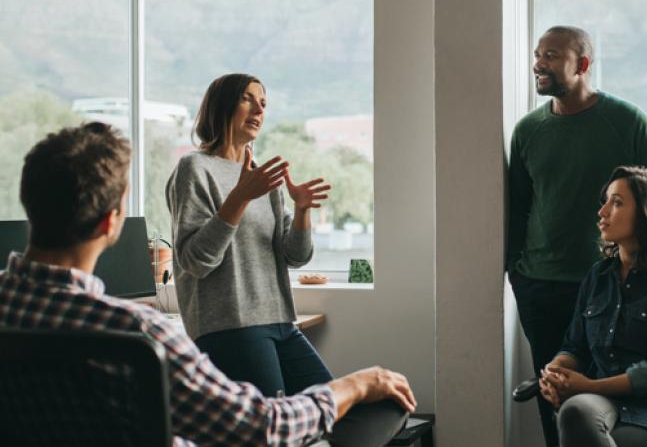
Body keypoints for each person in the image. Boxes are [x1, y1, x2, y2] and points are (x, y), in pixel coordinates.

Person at [0, 122, 416, 446]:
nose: (258, 109)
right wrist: (357, 384)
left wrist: (301, 211)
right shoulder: (139, 336)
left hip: (278, 319)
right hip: (233, 328)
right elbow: (262, 430)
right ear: (111, 222)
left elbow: (295, 253)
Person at [507, 25, 647, 445]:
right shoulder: (527, 130)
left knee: (602, 392)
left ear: (582, 64)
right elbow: (516, 207)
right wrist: (516, 272)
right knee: (556, 395)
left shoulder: (625, 121)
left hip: (615, 279)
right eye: (537, 55)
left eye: (551, 56)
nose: (538, 64)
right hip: (542, 284)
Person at [539, 166, 647, 447]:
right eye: (605, 202)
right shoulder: (597, 277)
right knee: (574, 411)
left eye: (616, 203)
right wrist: (555, 372)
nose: (602, 212)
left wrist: (589, 386)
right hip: (601, 402)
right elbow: (575, 346)